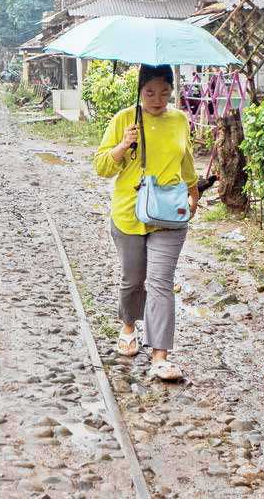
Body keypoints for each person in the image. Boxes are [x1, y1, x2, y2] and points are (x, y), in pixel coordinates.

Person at [93, 64, 199, 381]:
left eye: (165, 92)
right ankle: (128, 326)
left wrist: (194, 193)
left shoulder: (179, 120)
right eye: (150, 92)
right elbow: (101, 167)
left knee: (160, 284)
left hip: (169, 215)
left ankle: (160, 357)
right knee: (132, 279)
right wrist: (123, 145)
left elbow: (186, 158)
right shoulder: (124, 119)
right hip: (129, 213)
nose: (157, 99)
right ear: (140, 91)